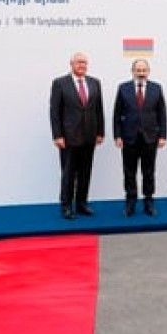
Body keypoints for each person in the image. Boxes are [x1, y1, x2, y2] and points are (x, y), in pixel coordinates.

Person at [50, 52, 104, 220]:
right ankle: (66, 206)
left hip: (89, 136)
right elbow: (54, 111)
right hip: (69, 137)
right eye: (79, 62)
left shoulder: (95, 83)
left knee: (85, 172)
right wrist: (58, 135)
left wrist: (100, 132)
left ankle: (82, 204)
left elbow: (98, 109)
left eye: (85, 63)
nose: (82, 65)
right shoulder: (60, 83)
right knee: (68, 173)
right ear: (71, 64)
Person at [113, 59, 167, 217]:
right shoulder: (123, 88)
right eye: (138, 70)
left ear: (148, 71)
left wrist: (163, 135)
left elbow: (162, 114)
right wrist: (117, 135)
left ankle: (148, 201)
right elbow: (117, 114)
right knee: (129, 172)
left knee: (148, 172)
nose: (141, 73)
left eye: (144, 70)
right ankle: (130, 202)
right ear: (133, 71)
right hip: (129, 137)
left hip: (150, 137)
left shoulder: (156, 88)